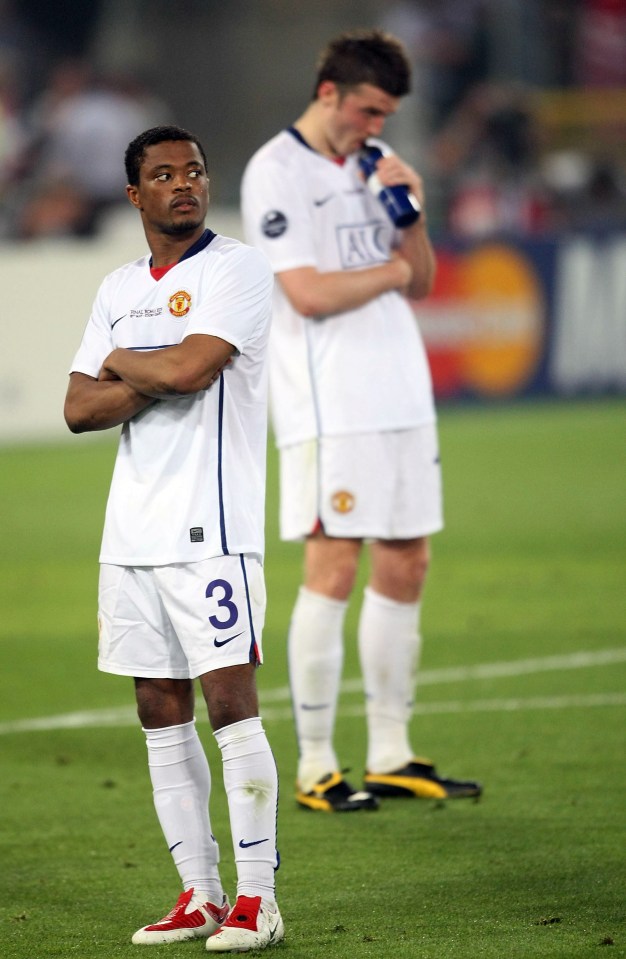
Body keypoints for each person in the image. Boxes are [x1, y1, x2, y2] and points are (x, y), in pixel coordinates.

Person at [241, 30, 482, 813]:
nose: (375, 125)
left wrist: (409, 215)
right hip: (328, 399)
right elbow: (307, 293)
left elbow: (424, 281)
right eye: (368, 110)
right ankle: (316, 762)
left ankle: (390, 751)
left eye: (387, 114)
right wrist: (392, 268)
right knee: (334, 561)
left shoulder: (373, 165)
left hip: (400, 390)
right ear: (329, 93)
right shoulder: (275, 172)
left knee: (408, 558)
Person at [64, 125, 283, 951]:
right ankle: (200, 893)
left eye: (193, 170)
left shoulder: (235, 270)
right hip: (131, 533)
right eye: (163, 175)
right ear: (136, 196)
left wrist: (125, 358)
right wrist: (153, 364)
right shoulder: (120, 284)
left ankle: (259, 899)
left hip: (212, 527)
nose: (183, 184)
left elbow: (194, 371)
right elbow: (78, 409)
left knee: (230, 706)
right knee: (160, 711)